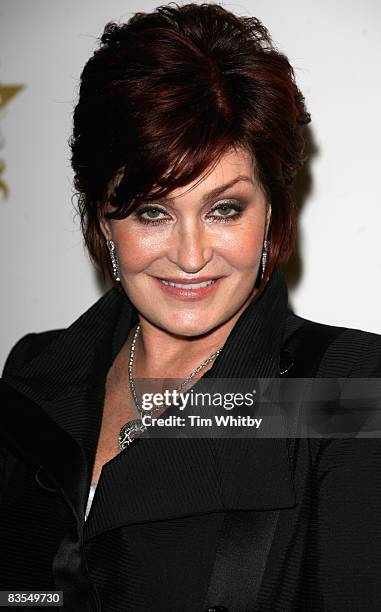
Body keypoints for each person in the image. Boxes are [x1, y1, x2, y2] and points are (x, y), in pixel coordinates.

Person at [1, 3, 381, 611]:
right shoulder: (36, 376)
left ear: (271, 215)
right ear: (102, 217)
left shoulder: (346, 390)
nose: (191, 254)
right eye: (152, 212)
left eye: (224, 209)